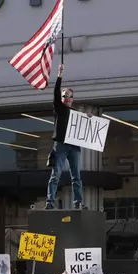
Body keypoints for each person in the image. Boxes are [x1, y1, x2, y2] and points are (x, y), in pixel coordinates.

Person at [46, 63, 85, 210]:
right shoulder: (59, 108)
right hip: (61, 144)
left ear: (72, 99)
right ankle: (50, 201)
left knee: (76, 176)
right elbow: (56, 92)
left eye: (68, 97)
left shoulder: (76, 114)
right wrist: (59, 75)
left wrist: (88, 118)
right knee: (56, 174)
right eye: (64, 96)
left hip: (74, 146)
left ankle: (78, 202)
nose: (66, 98)